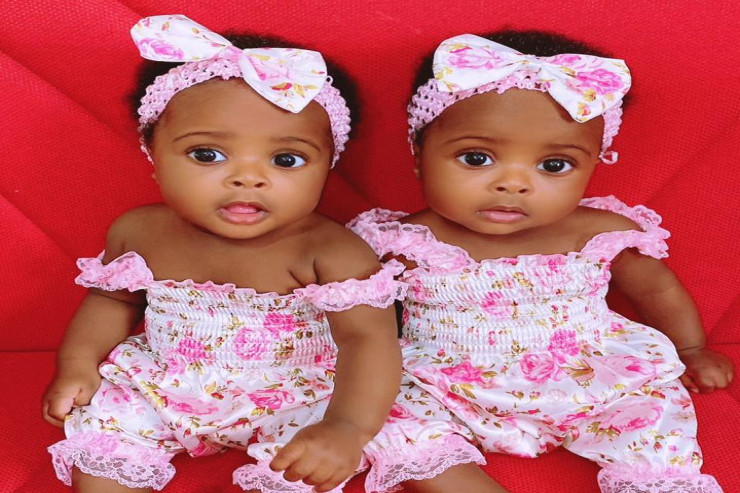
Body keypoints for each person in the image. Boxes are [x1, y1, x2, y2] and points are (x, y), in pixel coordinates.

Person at [349, 30, 733, 492]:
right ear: (419, 155)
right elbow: (360, 321)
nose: (513, 184)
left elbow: (657, 288)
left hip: (592, 377)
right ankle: (456, 480)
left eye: (553, 165)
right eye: (477, 158)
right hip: (449, 386)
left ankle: (656, 481)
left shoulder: (598, 232)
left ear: (593, 164)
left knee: (651, 408)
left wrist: (690, 349)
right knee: (381, 414)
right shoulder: (401, 242)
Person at [41, 14, 406, 492]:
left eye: (286, 160)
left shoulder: (331, 251)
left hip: (295, 394)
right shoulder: (140, 231)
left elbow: (368, 341)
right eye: (207, 154)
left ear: (326, 167)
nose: (247, 178)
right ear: (153, 153)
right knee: (104, 435)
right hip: (164, 384)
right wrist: (77, 362)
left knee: (308, 467)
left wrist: (347, 427)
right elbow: (111, 301)